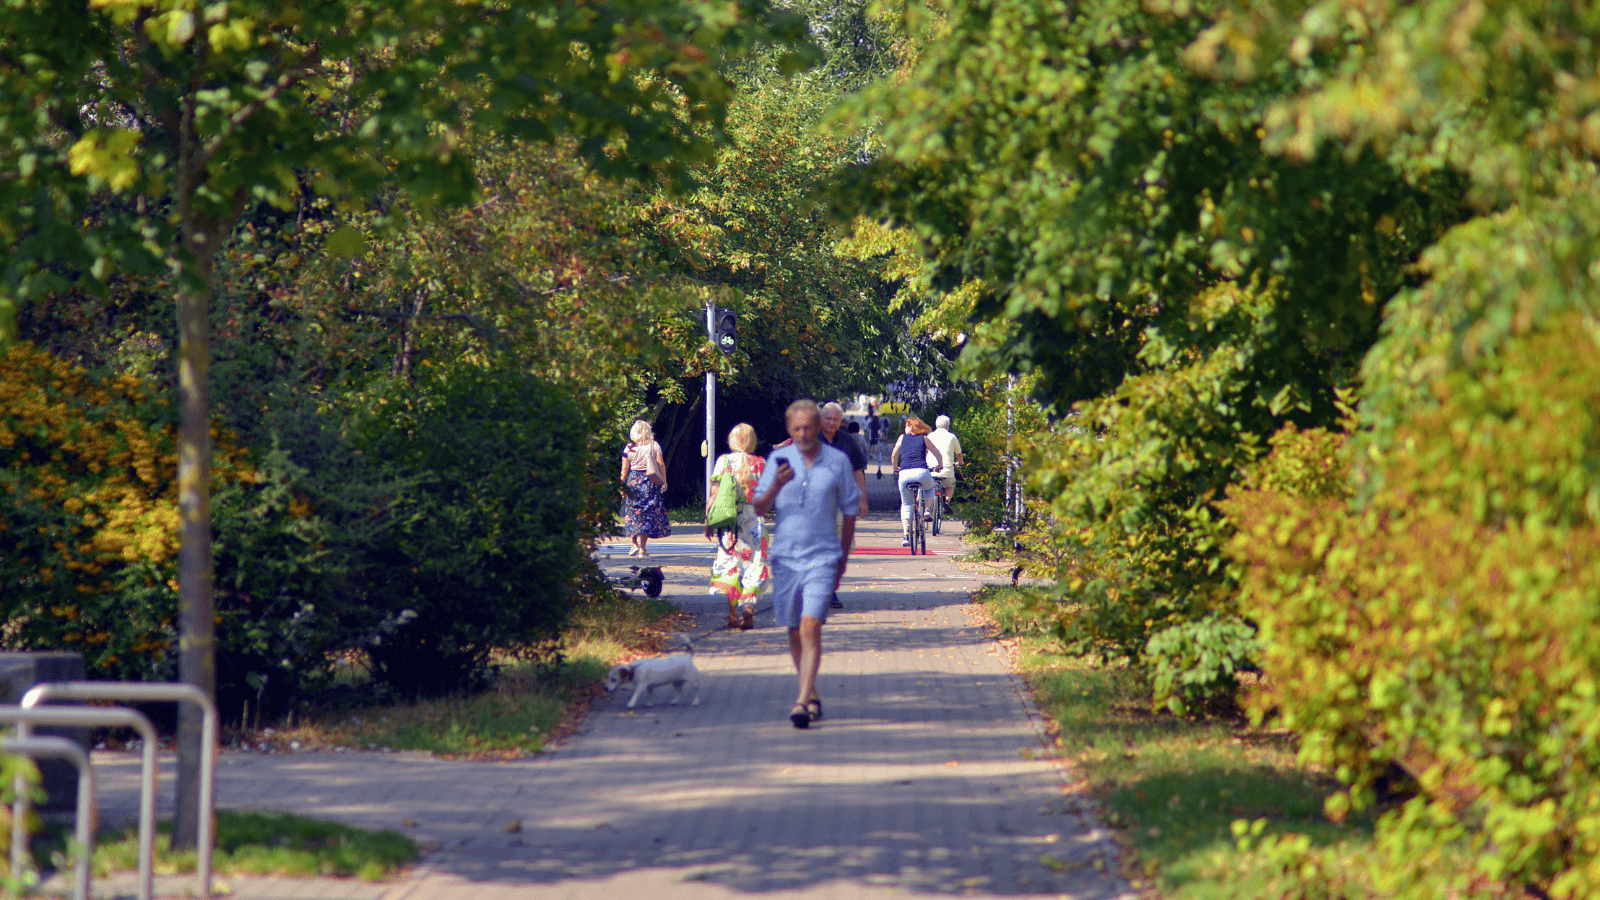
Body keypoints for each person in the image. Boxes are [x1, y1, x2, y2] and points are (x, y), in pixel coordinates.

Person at [754, 400, 862, 729]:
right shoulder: (778, 459)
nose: (802, 434)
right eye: (796, 428)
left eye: (808, 427)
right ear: (789, 430)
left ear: (819, 427)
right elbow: (758, 507)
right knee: (792, 627)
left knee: (810, 625)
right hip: (785, 557)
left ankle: (801, 702)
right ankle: (810, 691)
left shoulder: (837, 461)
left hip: (823, 556)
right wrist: (774, 486)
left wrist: (842, 558)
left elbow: (850, 510)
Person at [705, 423, 770, 631]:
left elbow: (714, 493)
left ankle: (732, 614)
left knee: (731, 564)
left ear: (732, 440)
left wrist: (708, 521)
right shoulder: (760, 463)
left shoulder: (723, 461)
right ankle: (749, 606)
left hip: (730, 521)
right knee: (754, 564)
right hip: (754, 519)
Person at [819, 402, 869, 610]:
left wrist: (862, 499)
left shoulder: (848, 441)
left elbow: (858, 470)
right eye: (827, 418)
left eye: (835, 419)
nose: (831, 423)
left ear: (841, 421)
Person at [890, 416, 943, 547]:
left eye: (906, 426)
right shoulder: (924, 439)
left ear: (910, 427)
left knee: (906, 504)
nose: (905, 428)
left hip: (904, 474)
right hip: (922, 473)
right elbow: (938, 454)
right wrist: (939, 466)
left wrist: (895, 468)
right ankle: (926, 510)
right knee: (930, 488)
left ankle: (906, 535)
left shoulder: (902, 438)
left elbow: (894, 455)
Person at [619, 419, 670, 556]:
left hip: (633, 482)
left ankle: (633, 544)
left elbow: (625, 469)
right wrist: (664, 481)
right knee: (647, 514)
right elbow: (660, 464)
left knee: (633, 512)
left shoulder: (629, 447)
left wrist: (622, 485)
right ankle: (642, 548)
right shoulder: (654, 446)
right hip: (649, 482)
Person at [927, 414, 965, 509]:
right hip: (946, 469)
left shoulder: (929, 436)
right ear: (947, 426)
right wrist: (960, 462)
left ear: (936, 425)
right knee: (950, 486)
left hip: (931, 469)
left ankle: (928, 503)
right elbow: (959, 453)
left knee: (930, 486)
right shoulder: (952, 437)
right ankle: (946, 501)